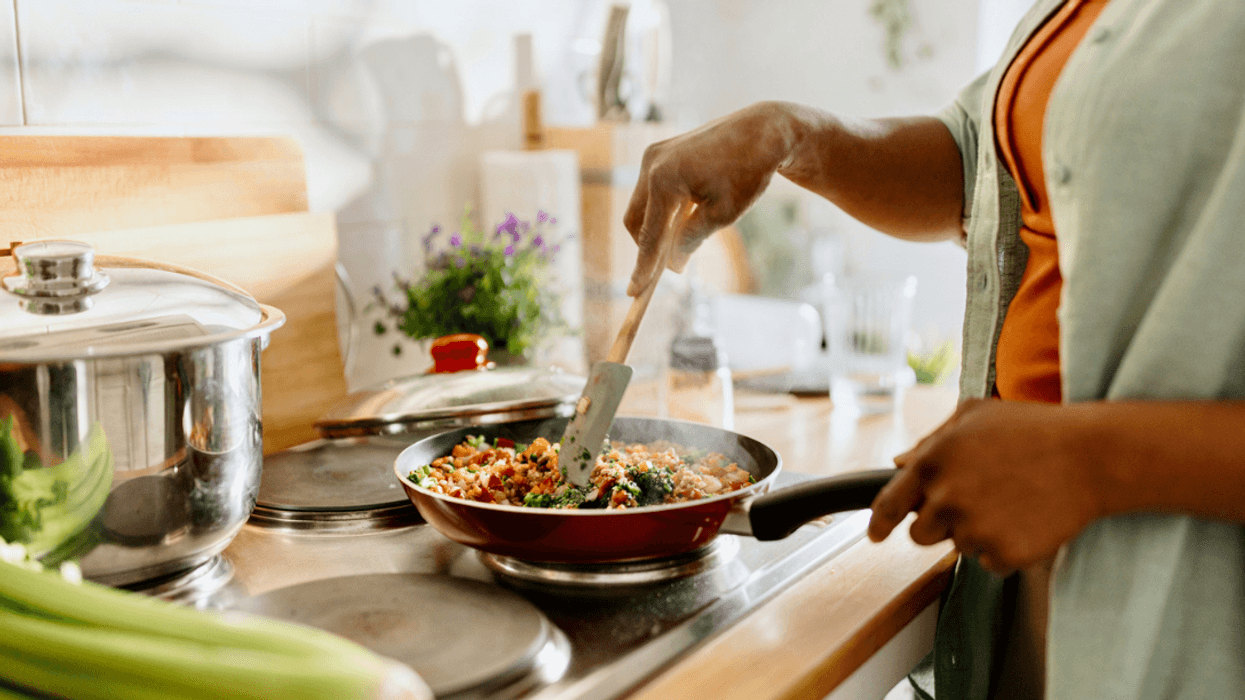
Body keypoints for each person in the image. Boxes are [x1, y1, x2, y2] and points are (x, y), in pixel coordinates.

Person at [621, 1, 1245, 698]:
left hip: (1192, 603)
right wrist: (787, 134)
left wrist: (1090, 460)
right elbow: (981, 163)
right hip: (1030, 573)